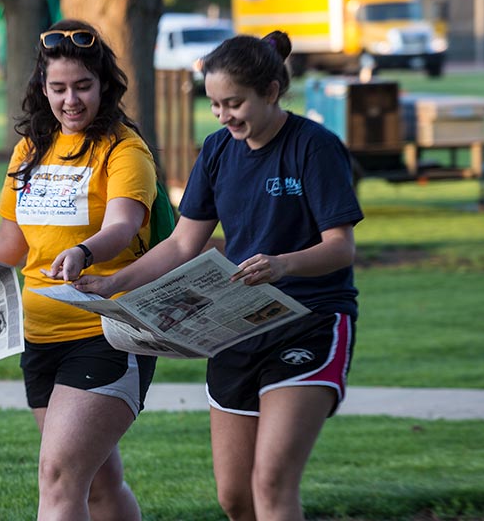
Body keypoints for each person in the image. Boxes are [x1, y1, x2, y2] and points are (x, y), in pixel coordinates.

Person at [74, 31, 364, 521]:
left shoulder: (315, 147)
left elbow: (341, 247)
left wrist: (284, 264)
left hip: (312, 321)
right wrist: (113, 284)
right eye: (214, 104)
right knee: (235, 498)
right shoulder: (216, 151)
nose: (225, 115)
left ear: (271, 92)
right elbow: (184, 243)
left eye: (235, 103)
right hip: (239, 325)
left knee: (271, 484)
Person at [0, 19, 158, 521]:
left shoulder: (124, 150)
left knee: (58, 480)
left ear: (105, 86)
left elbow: (123, 225)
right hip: (40, 338)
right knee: (99, 485)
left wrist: (84, 251)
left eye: (83, 86)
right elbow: (11, 243)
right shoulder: (29, 150)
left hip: (107, 332)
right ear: (41, 88)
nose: (71, 100)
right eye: (58, 88)